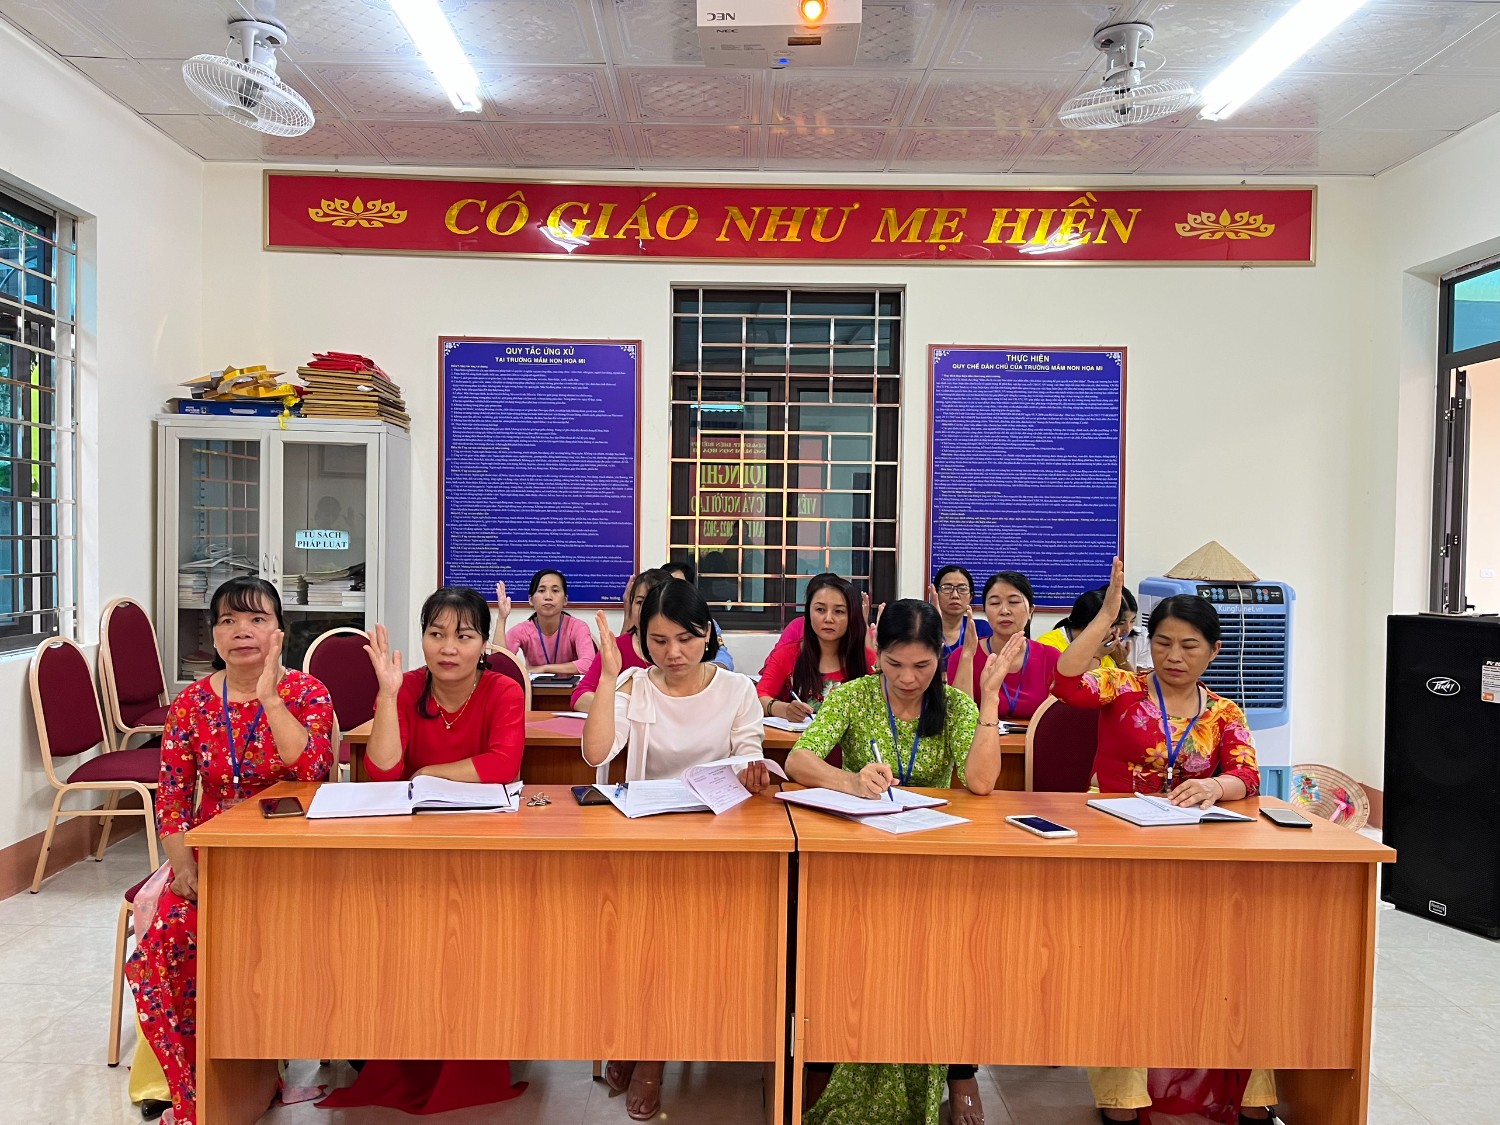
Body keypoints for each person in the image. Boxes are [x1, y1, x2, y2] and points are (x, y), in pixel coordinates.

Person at [1052, 560, 1274, 1124]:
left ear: (1214, 652)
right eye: (1164, 643)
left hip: (1191, 853)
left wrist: (1215, 785)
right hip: (1116, 845)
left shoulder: (1223, 712)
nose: (1175, 656)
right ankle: (1122, 1096)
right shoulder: (1123, 687)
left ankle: (1252, 1093)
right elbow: (1067, 683)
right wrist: (1107, 615)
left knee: (1231, 963)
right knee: (1122, 966)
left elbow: (1247, 775)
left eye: (1190, 646)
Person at [785, 599, 1006, 1125]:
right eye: (895, 664)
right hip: (862, 861)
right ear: (876, 651)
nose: (908, 679)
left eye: (922, 665)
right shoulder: (853, 696)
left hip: (934, 860)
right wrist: (850, 780)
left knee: (953, 963)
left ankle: (959, 1070)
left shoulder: (954, 706)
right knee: (844, 959)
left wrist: (990, 700)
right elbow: (798, 760)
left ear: (940, 659)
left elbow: (981, 782)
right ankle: (830, 1057)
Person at [126, 577, 334, 1125]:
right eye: (227, 621)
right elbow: (172, 797)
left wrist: (269, 698)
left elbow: (314, 770)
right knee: (158, 954)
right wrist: (183, 867)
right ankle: (195, 1092)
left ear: (280, 632)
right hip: (213, 857)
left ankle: (260, 1062)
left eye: (257, 619)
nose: (242, 631)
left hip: (294, 856)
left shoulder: (308, 693)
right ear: (214, 636)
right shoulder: (192, 703)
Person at [317, 587, 527, 1115]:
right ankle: (395, 1033)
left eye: (464, 636)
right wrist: (387, 697)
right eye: (436, 634)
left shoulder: (503, 689)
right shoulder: (408, 686)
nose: (448, 648)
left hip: (483, 842)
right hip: (411, 840)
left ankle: (474, 1037)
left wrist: (431, 772)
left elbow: (503, 764)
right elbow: (383, 769)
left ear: (484, 644)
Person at [582, 577, 771, 1120]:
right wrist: (610, 679)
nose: (673, 653)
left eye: (686, 639)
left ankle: (652, 1055)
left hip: (715, 840)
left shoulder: (735, 690)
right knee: (638, 941)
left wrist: (753, 772)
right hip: (646, 836)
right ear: (642, 639)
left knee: (679, 941)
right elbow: (596, 752)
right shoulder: (635, 684)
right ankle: (637, 1035)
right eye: (659, 641)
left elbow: (748, 752)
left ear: (706, 633)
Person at [758, 573, 875, 721]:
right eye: (820, 610)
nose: (828, 619)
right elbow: (758, 698)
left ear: (852, 616)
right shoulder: (787, 655)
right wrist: (785, 710)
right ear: (808, 612)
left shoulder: (867, 659)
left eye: (839, 611)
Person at [948, 571, 1060, 721]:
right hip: (979, 735)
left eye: (1013, 602)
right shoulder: (963, 655)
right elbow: (958, 719)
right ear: (985, 610)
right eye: (995, 603)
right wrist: (967, 657)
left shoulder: (1050, 657)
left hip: (1033, 736)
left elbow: (1058, 716)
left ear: (1031, 611)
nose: (1004, 611)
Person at [570, 568, 674, 711]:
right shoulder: (617, 647)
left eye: (653, 602)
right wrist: (626, 707)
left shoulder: (680, 649)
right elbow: (579, 697)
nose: (645, 609)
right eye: (639, 602)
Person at [494, 569, 596, 675]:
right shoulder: (522, 630)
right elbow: (499, 665)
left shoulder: (578, 627)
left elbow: (588, 665)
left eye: (555, 591)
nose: (548, 597)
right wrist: (502, 618)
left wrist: (544, 669)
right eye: (541, 591)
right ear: (531, 600)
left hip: (572, 685)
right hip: (533, 686)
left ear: (565, 600)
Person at [1035, 584, 1139, 671]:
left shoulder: (1105, 647)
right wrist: (1097, 656)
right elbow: (1071, 685)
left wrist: (1122, 661)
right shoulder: (1048, 646)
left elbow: (1129, 687)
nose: (1125, 630)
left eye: (1132, 621)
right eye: (1113, 625)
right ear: (1092, 623)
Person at [661, 559, 735, 669]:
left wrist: (704, 673)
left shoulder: (705, 622)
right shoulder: (650, 622)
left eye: (679, 586)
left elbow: (724, 659)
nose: (672, 592)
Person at [928, 564, 992, 661]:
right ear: (936, 594)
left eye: (962, 589)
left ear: (970, 597)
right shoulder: (924, 629)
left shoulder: (981, 629)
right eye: (947, 588)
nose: (955, 595)